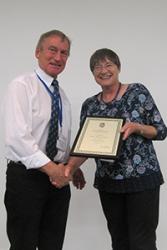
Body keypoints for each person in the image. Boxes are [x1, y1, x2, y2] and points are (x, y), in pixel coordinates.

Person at [61, 48, 167, 250]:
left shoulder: (138, 92)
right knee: (119, 241)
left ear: (118, 67)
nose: (103, 70)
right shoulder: (90, 105)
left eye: (108, 64)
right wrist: (70, 168)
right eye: (97, 67)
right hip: (109, 183)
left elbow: (161, 130)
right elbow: (84, 145)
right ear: (93, 74)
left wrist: (138, 127)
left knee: (142, 242)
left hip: (142, 180)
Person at [3, 29, 85, 250]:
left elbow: (61, 137)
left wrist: (71, 165)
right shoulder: (22, 86)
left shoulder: (63, 97)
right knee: (23, 244)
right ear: (37, 52)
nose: (58, 57)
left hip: (57, 182)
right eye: (52, 50)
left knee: (53, 244)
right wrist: (52, 170)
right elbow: (17, 138)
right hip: (27, 179)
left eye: (64, 53)